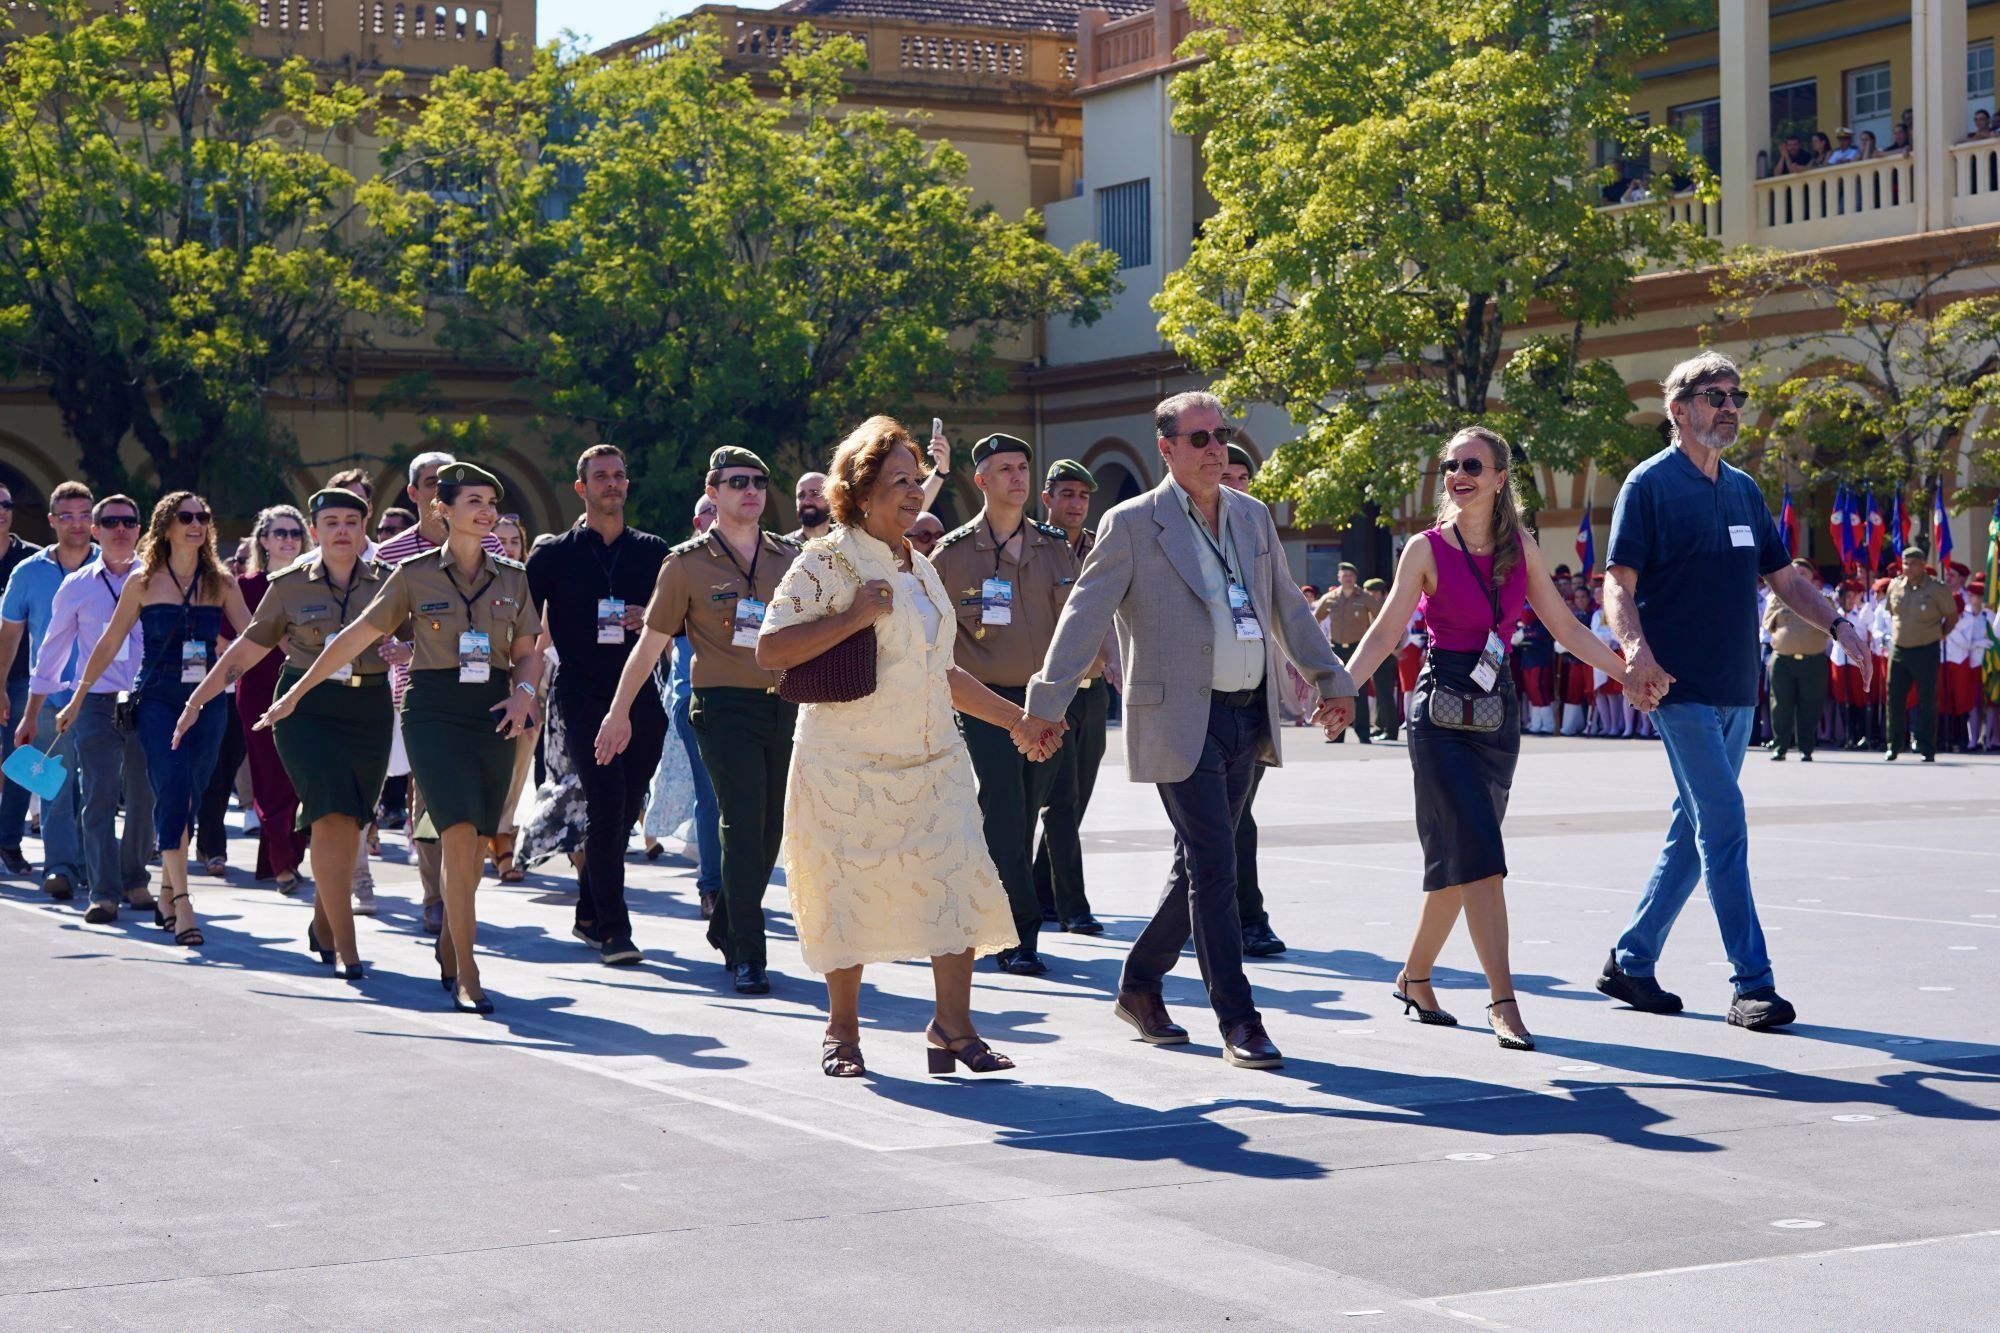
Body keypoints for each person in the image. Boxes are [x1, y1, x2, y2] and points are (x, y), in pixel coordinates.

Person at [1016, 389, 1359, 1070]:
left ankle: (1141, 983)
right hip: (1178, 717)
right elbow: (1084, 615)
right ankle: (1239, 1017)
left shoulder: (1254, 518)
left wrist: (1332, 679)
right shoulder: (1132, 523)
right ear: (1166, 449)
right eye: (1197, 438)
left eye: (1220, 435)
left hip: (1244, 713)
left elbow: (1288, 608)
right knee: (1215, 865)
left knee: (1198, 868)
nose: (1214, 449)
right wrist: (1046, 702)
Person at [1595, 353, 1871, 1032]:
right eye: (1713, 395)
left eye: (1735, 394)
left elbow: (1785, 579)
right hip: (1677, 688)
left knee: (1694, 833)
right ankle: (1753, 983)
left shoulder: (1745, 489)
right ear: (1678, 408)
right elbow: (1617, 583)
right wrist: (1636, 650)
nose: (1729, 405)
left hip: (1738, 688)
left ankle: (1631, 961)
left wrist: (1839, 622)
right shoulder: (1648, 485)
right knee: (1723, 824)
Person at [1337, 427, 1634, 1051]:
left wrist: (1628, 671)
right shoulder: (1424, 549)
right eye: (1450, 465)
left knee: (1458, 863)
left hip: (1497, 717)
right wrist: (1338, 689)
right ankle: (1503, 1000)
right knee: (1483, 858)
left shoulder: (1519, 547)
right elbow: (1388, 632)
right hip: (1439, 718)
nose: (1458, 473)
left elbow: (1567, 629)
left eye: (1472, 464)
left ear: (1500, 477)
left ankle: (1414, 976)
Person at [755, 416, 1023, 1077]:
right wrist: (851, 616)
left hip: (934, 762)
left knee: (957, 879)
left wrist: (1017, 719)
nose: (914, 492)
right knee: (847, 892)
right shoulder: (829, 560)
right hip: (845, 767)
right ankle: (842, 1032)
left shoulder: (921, 567)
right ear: (859, 489)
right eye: (899, 480)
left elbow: (943, 671)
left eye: (918, 479)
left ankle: (952, 1027)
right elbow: (770, 649)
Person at [268, 463, 540, 1013]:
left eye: (491, 503)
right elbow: (356, 635)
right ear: (444, 508)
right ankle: (468, 970)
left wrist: (525, 692)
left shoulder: (512, 575)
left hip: (493, 710)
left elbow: (529, 646)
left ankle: (451, 939)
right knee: (459, 831)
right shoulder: (413, 574)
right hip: (433, 711)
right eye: (474, 502)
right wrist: (297, 692)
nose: (486, 512)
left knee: (475, 840)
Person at [597, 447, 801, 995]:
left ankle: (724, 924)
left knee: (768, 830)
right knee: (739, 822)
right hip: (722, 706)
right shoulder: (685, 563)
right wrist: (619, 713)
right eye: (738, 482)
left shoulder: (788, 558)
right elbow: (650, 645)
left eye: (759, 480)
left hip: (784, 703)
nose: (751, 490)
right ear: (713, 492)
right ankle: (747, 952)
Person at [178, 489, 394, 979]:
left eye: (351, 521)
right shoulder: (289, 584)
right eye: (331, 522)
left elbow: (424, 636)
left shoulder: (389, 582)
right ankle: (347, 945)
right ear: (314, 533)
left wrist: (403, 651)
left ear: (364, 530)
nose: (342, 530)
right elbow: (245, 652)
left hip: (369, 706)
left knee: (353, 818)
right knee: (326, 814)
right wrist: (199, 699)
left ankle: (325, 918)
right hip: (303, 706)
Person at [56, 492, 252, 948]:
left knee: (193, 795)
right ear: (165, 526)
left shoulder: (220, 581)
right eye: (185, 517)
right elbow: (107, 643)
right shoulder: (143, 581)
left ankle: (165, 888)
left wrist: (228, 672)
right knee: (173, 786)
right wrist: (78, 697)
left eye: (203, 516)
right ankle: (182, 903)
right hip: (159, 699)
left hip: (208, 700)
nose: (196, 524)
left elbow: (252, 638)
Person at [930, 432, 1082, 976]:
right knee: (1004, 809)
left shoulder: (1056, 545)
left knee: (1026, 814)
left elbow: (1076, 626)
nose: (1017, 477)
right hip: (985, 705)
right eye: (1004, 469)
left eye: (1022, 467)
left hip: (1047, 702)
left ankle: (991, 913)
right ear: (981, 481)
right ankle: (1018, 933)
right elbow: (938, 639)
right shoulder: (952, 554)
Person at [525, 446, 670, 966]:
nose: (611, 484)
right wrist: (522, 691)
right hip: (583, 696)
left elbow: (677, 613)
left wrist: (649, 617)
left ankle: (589, 911)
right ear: (581, 488)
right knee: (607, 807)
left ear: (627, 486)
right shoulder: (553, 555)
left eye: (619, 476)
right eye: (600, 477)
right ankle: (615, 930)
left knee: (626, 809)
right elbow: (522, 626)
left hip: (642, 696)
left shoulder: (654, 551)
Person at [374, 450, 509, 934]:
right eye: (434, 482)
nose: (441, 487)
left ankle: (459, 898)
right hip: (417, 694)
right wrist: (400, 647)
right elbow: (377, 626)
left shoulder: (494, 546)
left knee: (469, 807)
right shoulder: (392, 553)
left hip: (482, 697)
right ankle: (436, 898)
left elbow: (513, 619)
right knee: (427, 798)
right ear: (419, 495)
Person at [26, 495, 153, 922]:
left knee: (143, 795)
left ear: (140, 529)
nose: (121, 529)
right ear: (96, 531)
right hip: (96, 702)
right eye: (111, 522)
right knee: (97, 795)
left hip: (147, 700)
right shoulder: (77, 584)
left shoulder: (157, 580)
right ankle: (103, 892)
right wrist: (32, 712)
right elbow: (52, 651)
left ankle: (135, 879)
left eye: (129, 521)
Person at [0, 480, 96, 898]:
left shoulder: (119, 569)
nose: (77, 524)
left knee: (98, 788)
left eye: (84, 515)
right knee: (54, 786)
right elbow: (11, 634)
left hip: (106, 698)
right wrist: (1, 686)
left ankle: (97, 866)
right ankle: (60, 868)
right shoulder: (29, 572)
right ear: (52, 521)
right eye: (67, 516)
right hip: (49, 696)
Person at [1029, 457, 1108, 936]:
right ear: (1048, 499)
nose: (1076, 503)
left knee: (1078, 799)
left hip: (1093, 688)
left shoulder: (1102, 547)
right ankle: (1072, 904)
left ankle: (1043, 893)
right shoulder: (1034, 548)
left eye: (1083, 496)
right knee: (1059, 798)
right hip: (1050, 691)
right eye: (1067, 494)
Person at [642, 495, 720, 906]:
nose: (717, 516)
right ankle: (712, 888)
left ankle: (736, 888)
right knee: (711, 793)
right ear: (697, 520)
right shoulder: (683, 565)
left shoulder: (758, 561)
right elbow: (655, 639)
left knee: (747, 800)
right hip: (695, 699)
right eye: (710, 509)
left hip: (751, 696)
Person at [235, 505, 311, 891]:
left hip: (305, 687)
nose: (287, 540)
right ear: (263, 541)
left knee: (298, 778)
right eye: (279, 533)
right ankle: (283, 864)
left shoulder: (314, 582)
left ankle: (281, 858)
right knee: (269, 778)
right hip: (260, 689)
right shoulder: (245, 585)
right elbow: (229, 642)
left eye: (294, 533)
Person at [0, 480, 44, 876]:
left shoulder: (31, 561)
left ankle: (9, 841)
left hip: (20, 679)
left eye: (6, 504)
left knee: (23, 760)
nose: (1, 511)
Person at [488, 511, 534, 883]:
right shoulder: (480, 579)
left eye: (513, 541)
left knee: (519, 765)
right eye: (499, 540)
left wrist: (528, 688)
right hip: (483, 682)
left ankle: (504, 836)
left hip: (528, 682)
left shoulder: (529, 582)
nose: (506, 547)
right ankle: (494, 838)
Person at [1884, 544, 1956, 762]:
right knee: (1894, 698)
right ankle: (1894, 745)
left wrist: (1940, 635)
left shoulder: (1936, 588)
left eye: (1913, 563)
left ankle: (1927, 746)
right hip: (1899, 650)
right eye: (1905, 563)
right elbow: (1891, 612)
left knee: (1926, 700)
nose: (1908, 567)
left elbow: (1952, 616)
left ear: (1923, 565)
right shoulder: (1895, 586)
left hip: (1926, 649)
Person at [1763, 558, 1830, 761]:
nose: (1799, 576)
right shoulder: (1776, 599)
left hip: (1813, 661)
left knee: (1810, 705)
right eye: (1795, 572)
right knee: (1780, 705)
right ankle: (1780, 746)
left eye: (1804, 573)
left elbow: (1832, 628)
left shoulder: (1822, 600)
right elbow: (1768, 625)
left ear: (1811, 577)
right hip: (1783, 660)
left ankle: (1805, 748)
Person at [1315, 561, 1380, 742]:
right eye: (1344, 576)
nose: (1347, 579)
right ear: (1339, 578)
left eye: (1350, 576)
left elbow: (1381, 618)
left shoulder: (1365, 597)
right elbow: (1313, 621)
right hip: (1336, 650)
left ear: (1355, 578)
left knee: (1360, 692)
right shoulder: (1330, 598)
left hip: (1358, 649)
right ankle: (1336, 734)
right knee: (1336, 693)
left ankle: (1364, 734)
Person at [788, 473, 833, 543]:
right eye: (801, 496)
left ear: (831, 500)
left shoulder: (848, 540)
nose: (806, 502)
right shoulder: (784, 549)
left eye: (815, 494)